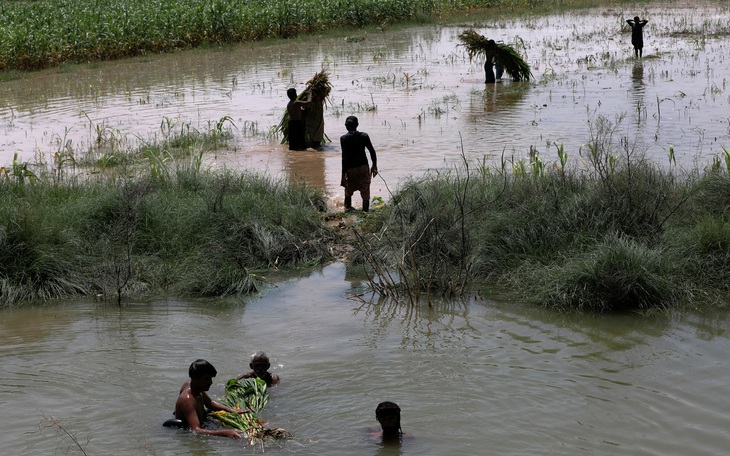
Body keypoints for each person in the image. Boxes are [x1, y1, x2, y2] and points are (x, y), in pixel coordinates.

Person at [174, 359, 250, 438]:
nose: (210, 382)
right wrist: (225, 433)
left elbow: (210, 403)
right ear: (195, 378)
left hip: (203, 422)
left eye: (211, 378)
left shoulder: (195, 387)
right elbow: (196, 430)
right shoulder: (187, 400)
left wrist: (231, 410)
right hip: (190, 433)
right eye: (206, 379)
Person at [340, 116, 378, 213]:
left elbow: (344, 158)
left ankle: (347, 211)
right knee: (365, 194)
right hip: (363, 168)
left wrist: (343, 176)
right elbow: (372, 151)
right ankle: (365, 212)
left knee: (348, 193)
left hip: (350, 169)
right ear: (357, 125)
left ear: (346, 126)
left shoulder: (344, 138)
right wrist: (374, 165)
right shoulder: (364, 136)